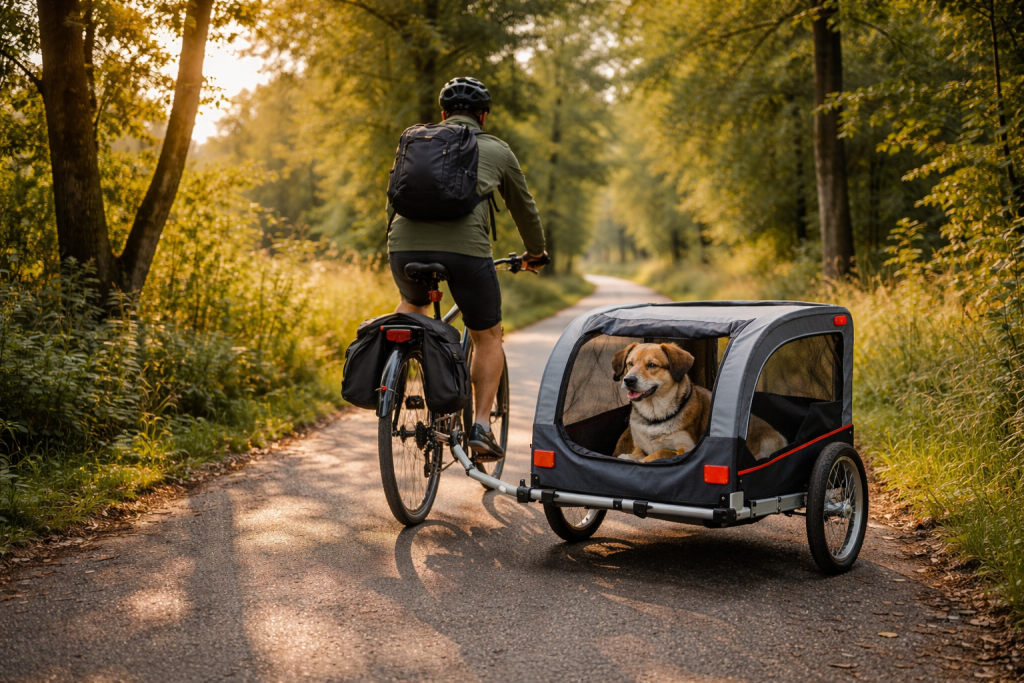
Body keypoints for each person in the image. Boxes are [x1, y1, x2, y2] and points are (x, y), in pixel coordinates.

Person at [387, 76, 548, 459]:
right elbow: (523, 209)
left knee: (412, 309)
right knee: (486, 336)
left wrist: (398, 246)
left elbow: (393, 198)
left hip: (402, 247)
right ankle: (478, 427)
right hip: (466, 253)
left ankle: (390, 381)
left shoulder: (413, 141)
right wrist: (535, 252)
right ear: (484, 117)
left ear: (443, 114)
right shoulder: (497, 149)